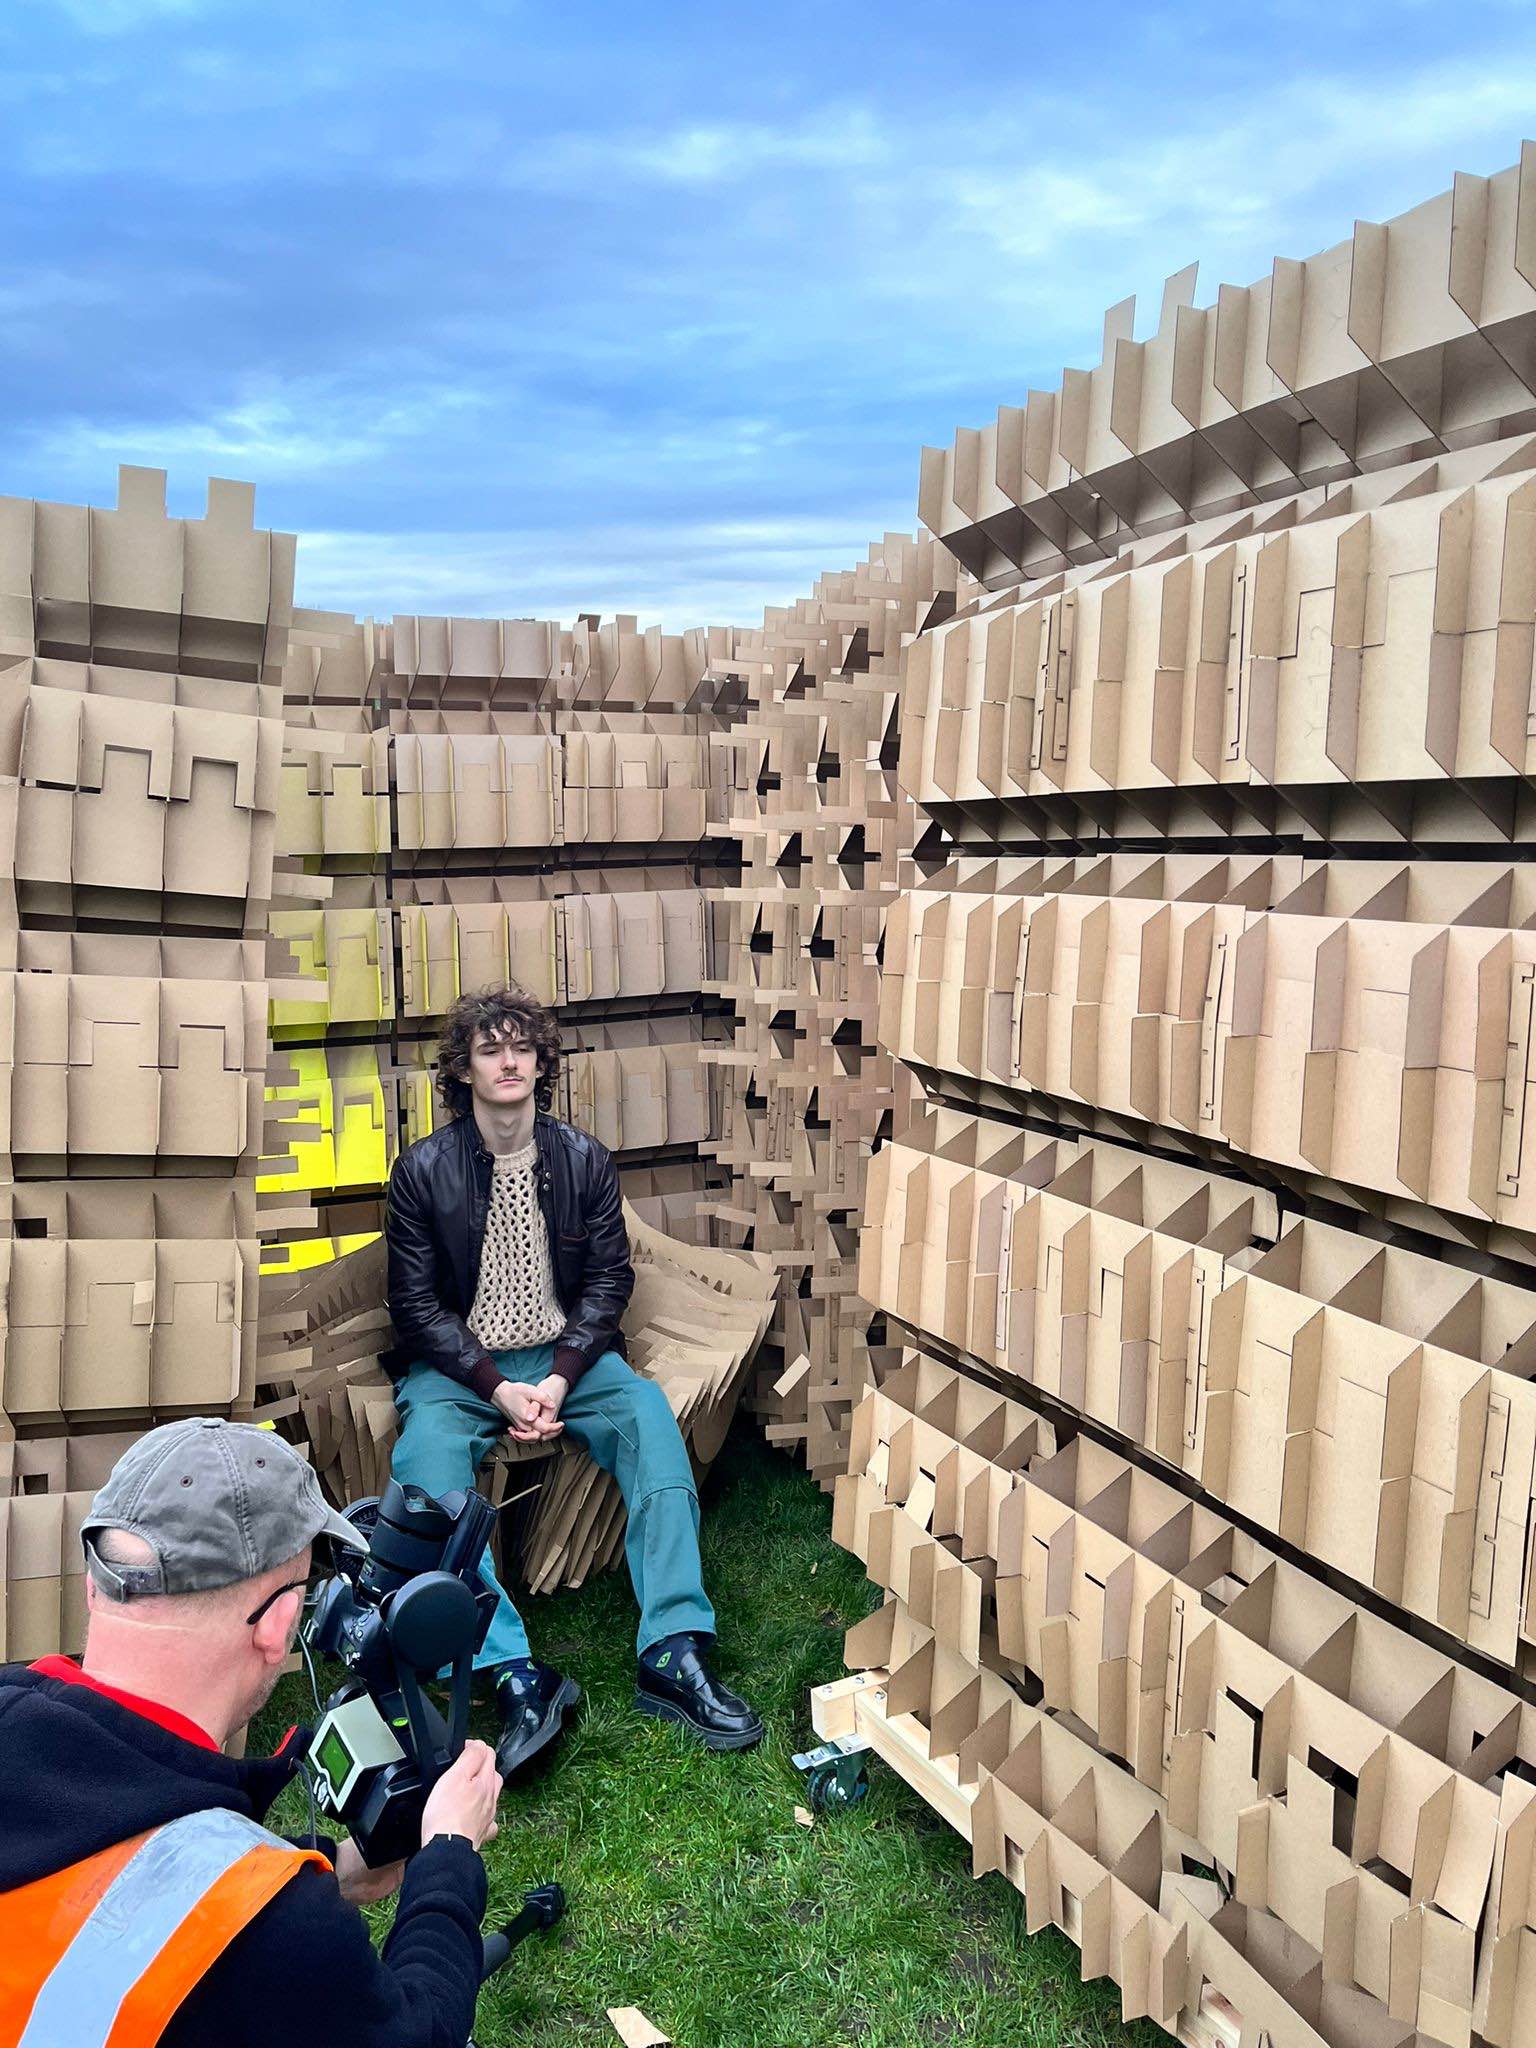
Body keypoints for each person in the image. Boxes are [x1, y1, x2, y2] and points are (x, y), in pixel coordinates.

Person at [0, 1418, 502, 2048]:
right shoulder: (278, 1934)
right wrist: (450, 1856)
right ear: (279, 1622)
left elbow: (101, 1883)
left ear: (96, 1588)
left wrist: (335, 1871)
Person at [384, 982, 764, 1777]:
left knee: (652, 1429)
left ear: (541, 1062)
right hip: (462, 1371)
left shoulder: (583, 1159)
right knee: (426, 1472)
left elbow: (606, 1286)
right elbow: (416, 1307)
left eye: (521, 1046)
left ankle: (673, 1649)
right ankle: (512, 1672)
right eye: (490, 1049)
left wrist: (557, 1380)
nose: (508, 1061)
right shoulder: (422, 1172)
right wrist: (496, 1386)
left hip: (571, 1362)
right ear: (464, 1071)